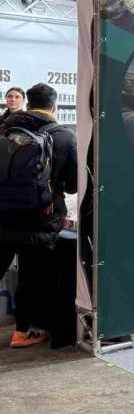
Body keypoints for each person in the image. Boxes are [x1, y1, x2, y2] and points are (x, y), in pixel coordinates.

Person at [0, 83, 77, 348]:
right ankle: (22, 332)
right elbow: (73, 184)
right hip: (40, 216)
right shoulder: (64, 136)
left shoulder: (5, 128)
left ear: (28, 103)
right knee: (31, 276)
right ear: (55, 106)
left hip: (3, 213)